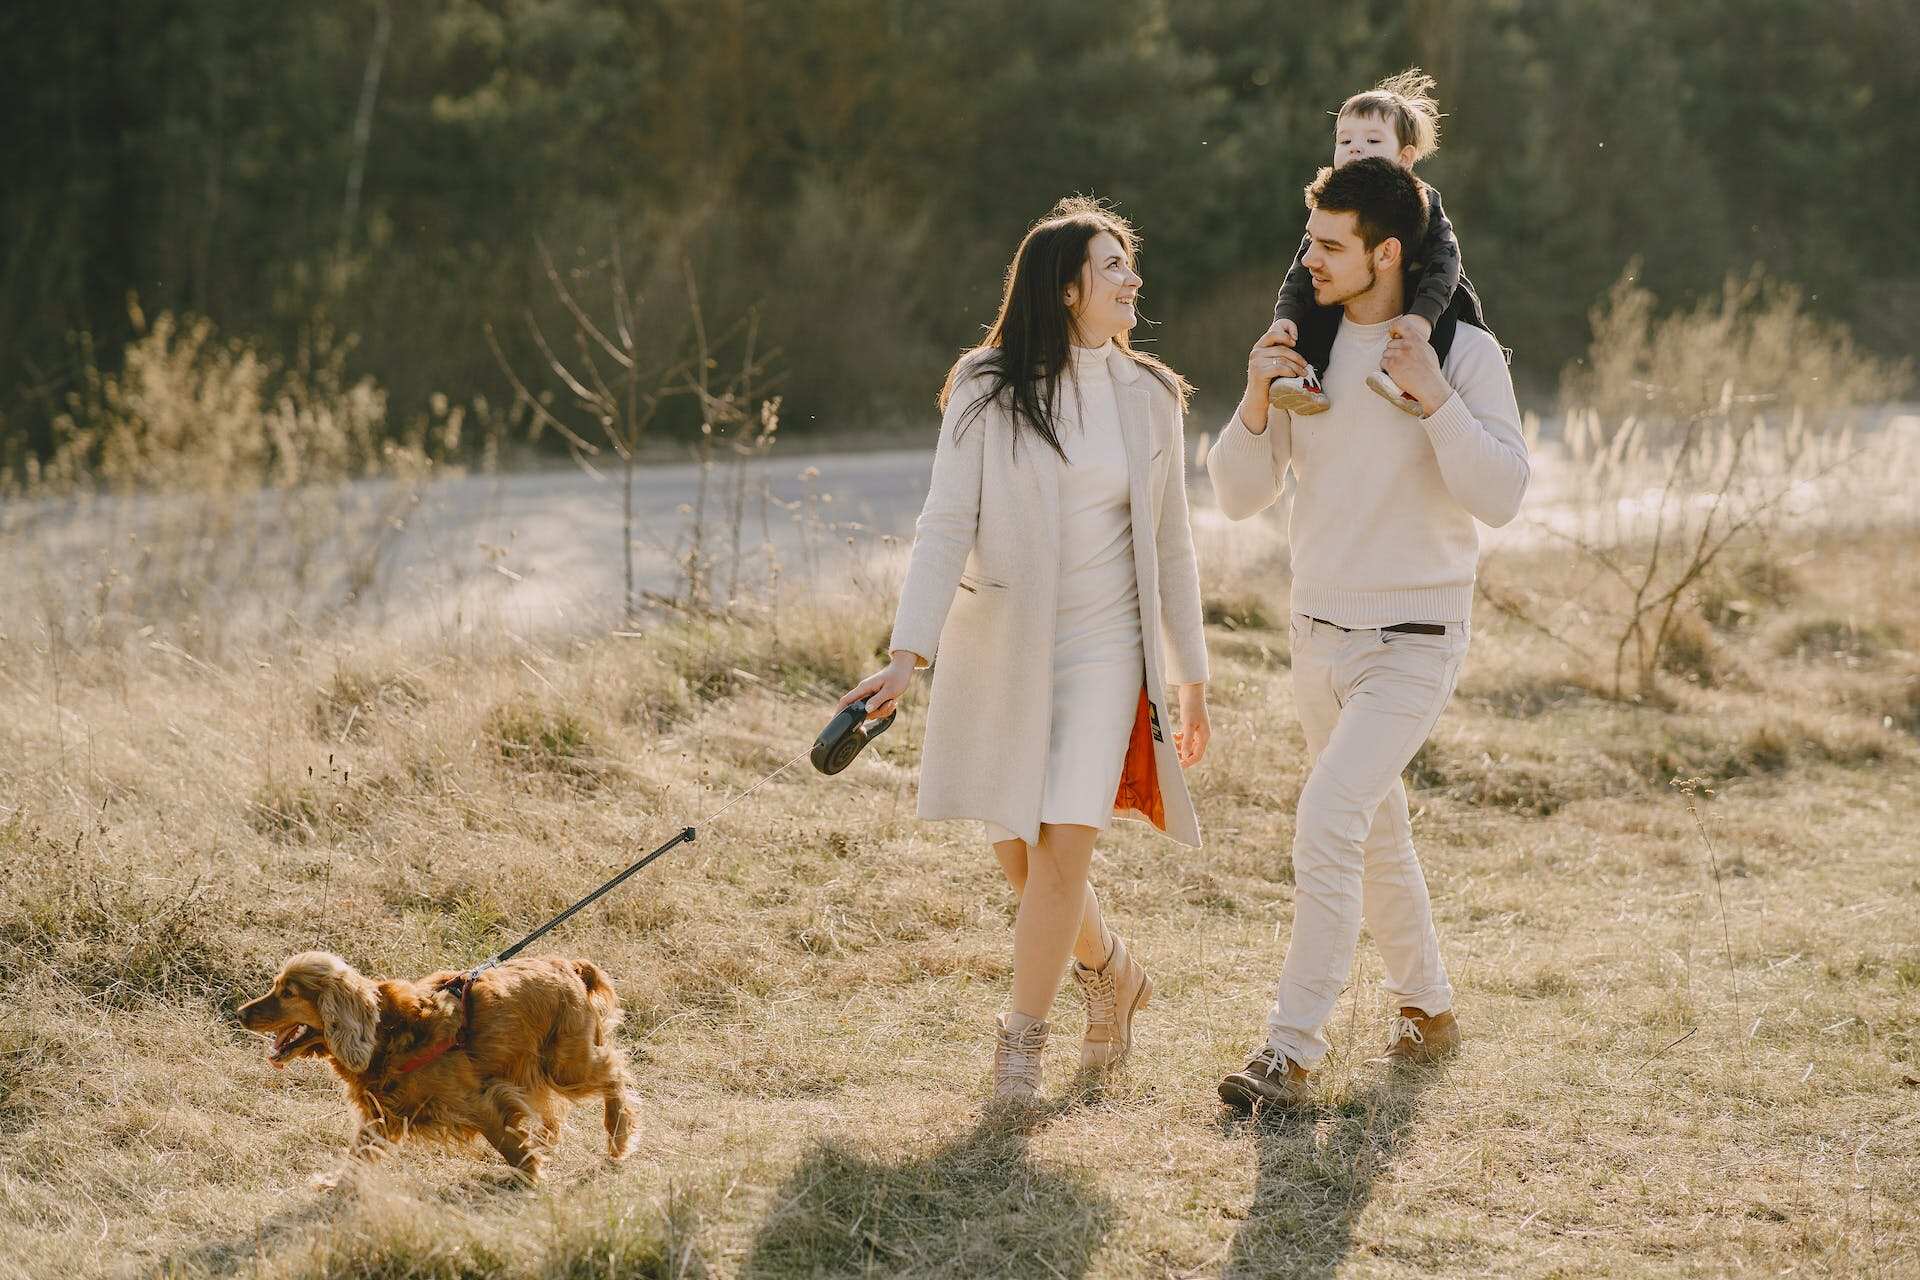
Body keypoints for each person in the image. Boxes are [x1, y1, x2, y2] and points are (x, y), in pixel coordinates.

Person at [837, 197, 1211, 1105]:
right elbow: (943, 522)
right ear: (1066, 284)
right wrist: (906, 655)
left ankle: (1021, 1049)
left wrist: (1189, 675)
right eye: (1114, 265)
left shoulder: (1151, 396)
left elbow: (1173, 543)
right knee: (1020, 856)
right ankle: (1114, 970)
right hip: (1003, 643)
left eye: (1130, 263)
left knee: (1063, 851)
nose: (1134, 279)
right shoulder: (986, 383)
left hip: (1106, 648)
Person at [1206, 158, 1528, 1112]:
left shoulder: (1463, 350)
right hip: (1316, 634)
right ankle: (1427, 1010)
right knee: (1374, 828)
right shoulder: (1302, 342)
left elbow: (1503, 497)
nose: (1308, 260)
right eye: (1311, 241)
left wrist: (1435, 397)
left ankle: (1290, 1052)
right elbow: (1233, 496)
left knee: (1330, 818)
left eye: (1330, 246)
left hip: (1417, 635)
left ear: (1388, 252)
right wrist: (1257, 397)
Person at [1266, 68, 1496, 418]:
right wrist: (1285, 317)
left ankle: (1408, 380)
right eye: (1345, 141)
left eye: (1372, 141)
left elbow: (1445, 259)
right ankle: (1308, 377)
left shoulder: (1422, 200)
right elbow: (1300, 272)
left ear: (1405, 158)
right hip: (1354, 295)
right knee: (1320, 296)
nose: (1356, 148)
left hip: (1429, 291)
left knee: (1445, 312)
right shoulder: (1331, 204)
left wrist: (1422, 318)